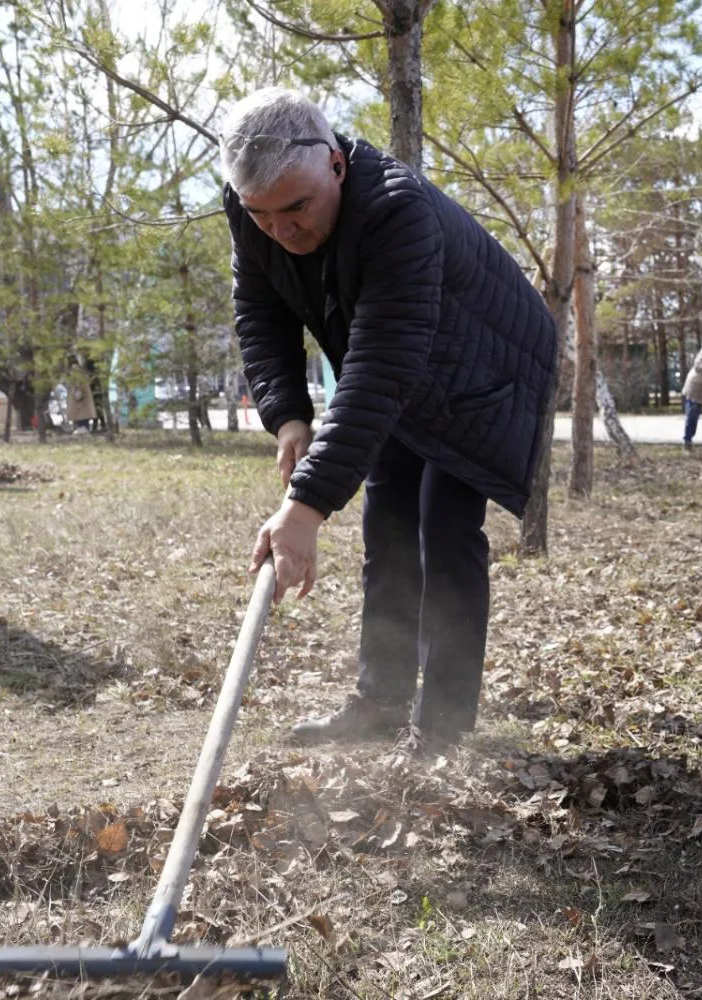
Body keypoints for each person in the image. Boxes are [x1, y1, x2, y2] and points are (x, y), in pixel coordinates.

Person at [220, 88, 557, 751]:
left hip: (486, 366)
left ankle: (443, 725)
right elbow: (262, 311)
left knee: (445, 527)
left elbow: (379, 368)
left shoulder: (398, 212)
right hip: (406, 359)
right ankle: (379, 702)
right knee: (390, 523)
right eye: (262, 217)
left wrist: (306, 506)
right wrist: (288, 416)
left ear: (337, 165)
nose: (282, 233)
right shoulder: (251, 204)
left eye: (297, 209)